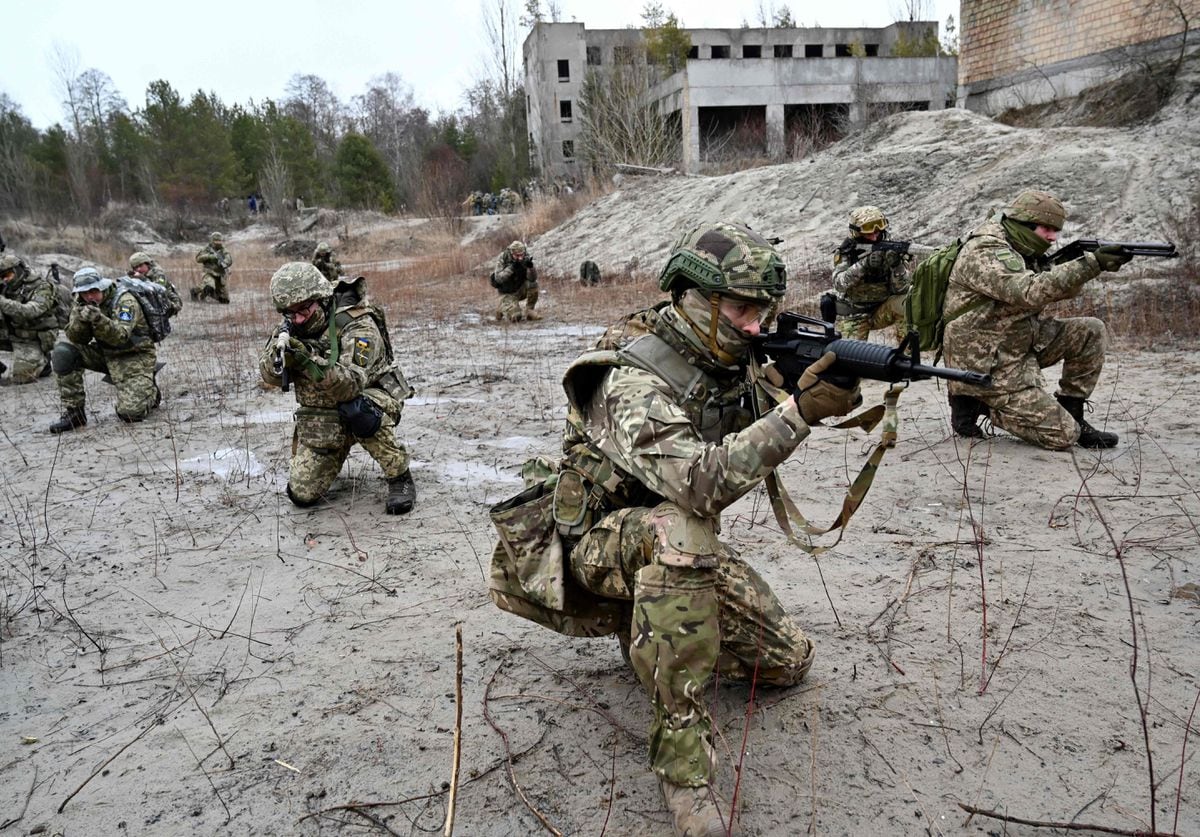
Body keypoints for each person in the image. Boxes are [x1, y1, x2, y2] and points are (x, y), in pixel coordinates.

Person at [488, 221, 862, 837]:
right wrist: (800, 413)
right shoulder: (627, 377)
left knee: (788, 662)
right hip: (598, 545)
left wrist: (809, 385)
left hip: (671, 545)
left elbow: (748, 421)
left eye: (762, 311)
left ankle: (654, 628)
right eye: (742, 309)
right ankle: (684, 770)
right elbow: (698, 485)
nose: (755, 325)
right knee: (681, 529)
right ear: (693, 296)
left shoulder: (727, 354)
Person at [942, 189, 1131, 448]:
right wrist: (1091, 264)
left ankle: (1073, 412)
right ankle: (977, 403)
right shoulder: (986, 248)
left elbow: (1053, 291)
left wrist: (1073, 267)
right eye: (1047, 229)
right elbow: (1028, 291)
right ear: (1025, 224)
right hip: (984, 360)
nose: (1053, 238)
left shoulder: (1022, 247)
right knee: (1063, 435)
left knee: (1090, 330)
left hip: (1018, 340)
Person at [259, 263, 417, 514]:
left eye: (303, 310)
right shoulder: (290, 327)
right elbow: (269, 376)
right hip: (326, 416)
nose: (297, 318)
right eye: (289, 313)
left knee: (356, 409)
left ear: (320, 299)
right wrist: (279, 360)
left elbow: (351, 385)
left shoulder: (358, 324)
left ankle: (399, 477)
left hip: (370, 398)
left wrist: (307, 360)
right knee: (301, 494)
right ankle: (335, 452)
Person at [49, 268, 161, 433]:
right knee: (63, 353)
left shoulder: (124, 301)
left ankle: (151, 391)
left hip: (133, 355)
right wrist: (81, 321)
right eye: (84, 293)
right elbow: (77, 339)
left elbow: (121, 337)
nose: (89, 296)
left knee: (130, 414)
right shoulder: (80, 303)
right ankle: (74, 413)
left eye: (93, 290)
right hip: (104, 353)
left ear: (102, 287)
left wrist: (98, 319)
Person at [828, 206, 936, 341]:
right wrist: (863, 265)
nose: (874, 237)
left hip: (882, 310)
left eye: (878, 232)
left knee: (908, 301)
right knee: (851, 356)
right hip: (854, 314)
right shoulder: (847, 251)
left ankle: (907, 355)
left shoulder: (889, 248)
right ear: (857, 232)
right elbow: (839, 284)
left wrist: (897, 266)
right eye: (868, 233)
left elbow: (901, 289)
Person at [0, 254, 59, 384]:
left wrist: (2, 302)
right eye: (1, 277)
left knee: (21, 378)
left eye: (7, 275)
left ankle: (43, 361)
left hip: (32, 337)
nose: (5, 280)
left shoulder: (42, 286)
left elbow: (32, 311)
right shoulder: (4, 286)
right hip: (9, 332)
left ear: (18, 270)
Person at [491, 240, 541, 322]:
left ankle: (529, 310)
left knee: (533, 284)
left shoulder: (526, 258)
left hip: (520, 289)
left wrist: (531, 268)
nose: (520, 258)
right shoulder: (503, 259)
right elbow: (498, 279)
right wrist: (511, 268)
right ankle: (501, 307)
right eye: (517, 256)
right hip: (507, 293)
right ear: (511, 253)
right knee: (516, 317)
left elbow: (532, 279)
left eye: (521, 255)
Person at [128, 251, 183, 316]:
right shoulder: (141, 273)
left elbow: (158, 291)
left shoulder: (158, 274)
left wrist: (142, 278)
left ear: (147, 263)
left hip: (171, 303)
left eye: (140, 265)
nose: (138, 269)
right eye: (135, 267)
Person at [192, 232, 233, 303]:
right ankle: (195, 292)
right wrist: (209, 257)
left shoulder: (223, 250)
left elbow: (229, 259)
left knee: (225, 300)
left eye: (219, 241)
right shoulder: (207, 249)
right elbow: (198, 259)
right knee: (209, 286)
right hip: (209, 273)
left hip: (220, 276)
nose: (218, 242)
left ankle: (213, 294)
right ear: (212, 240)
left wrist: (224, 262)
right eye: (215, 241)